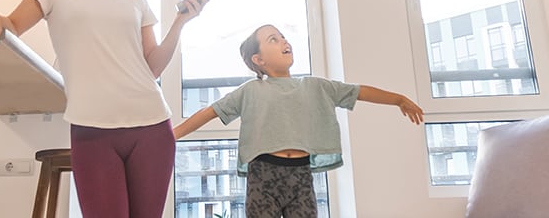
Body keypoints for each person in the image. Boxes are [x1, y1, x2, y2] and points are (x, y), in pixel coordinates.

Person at [0, 0, 212, 218]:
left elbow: (152, 68)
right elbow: (13, 24)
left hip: (151, 125)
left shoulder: (135, 0)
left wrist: (180, 22)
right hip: (92, 130)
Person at [172, 24, 423, 218]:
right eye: (274, 39)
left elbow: (358, 91)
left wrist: (399, 99)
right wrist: (171, 135)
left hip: (301, 176)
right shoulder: (251, 90)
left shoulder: (314, 86)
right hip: (263, 177)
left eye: (283, 36)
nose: (284, 40)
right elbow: (209, 112)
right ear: (258, 60)